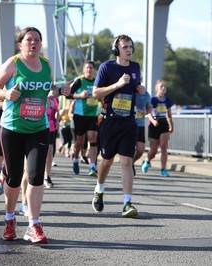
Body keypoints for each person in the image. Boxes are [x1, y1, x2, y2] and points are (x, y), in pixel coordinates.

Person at [0, 27, 71, 244]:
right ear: (20, 44)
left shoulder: (46, 64)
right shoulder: (13, 63)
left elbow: (47, 89)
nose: (33, 43)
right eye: (29, 40)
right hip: (13, 128)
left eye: (37, 40)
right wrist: (5, 93)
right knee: (14, 179)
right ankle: (10, 219)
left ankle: (33, 225)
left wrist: (60, 90)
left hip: (38, 128)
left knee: (35, 176)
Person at [91, 35, 142, 218]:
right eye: (125, 47)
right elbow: (95, 93)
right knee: (107, 160)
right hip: (109, 120)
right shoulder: (107, 67)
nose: (129, 50)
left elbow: (135, 86)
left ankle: (127, 203)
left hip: (129, 120)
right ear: (116, 50)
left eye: (130, 46)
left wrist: (139, 89)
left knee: (127, 161)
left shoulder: (135, 67)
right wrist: (118, 84)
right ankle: (99, 189)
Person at [68, 61, 99, 176]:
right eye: (87, 68)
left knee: (92, 138)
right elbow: (68, 95)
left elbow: (102, 95)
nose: (89, 70)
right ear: (83, 70)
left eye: (91, 68)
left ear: (94, 70)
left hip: (92, 115)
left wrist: (99, 97)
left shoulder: (97, 82)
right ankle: (76, 158)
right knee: (80, 141)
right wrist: (80, 96)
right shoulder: (79, 81)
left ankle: (92, 166)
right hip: (80, 115)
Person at [142, 80, 174, 177]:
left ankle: (163, 169)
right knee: (154, 150)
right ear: (157, 89)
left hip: (164, 123)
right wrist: (153, 120)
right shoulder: (153, 100)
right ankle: (147, 160)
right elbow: (148, 113)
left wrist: (171, 125)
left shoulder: (167, 101)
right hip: (154, 124)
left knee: (164, 146)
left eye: (165, 87)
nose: (163, 88)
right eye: (161, 87)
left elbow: (169, 115)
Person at [132, 86, 152, 176]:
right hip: (129, 124)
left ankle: (131, 162)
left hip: (140, 124)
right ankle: (127, 165)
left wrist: (146, 112)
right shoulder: (129, 92)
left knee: (140, 149)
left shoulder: (146, 94)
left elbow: (150, 108)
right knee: (130, 148)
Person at [44, 96, 59, 188]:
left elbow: (56, 111)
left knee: (49, 151)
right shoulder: (37, 94)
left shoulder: (53, 98)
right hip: (37, 127)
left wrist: (57, 120)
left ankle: (47, 176)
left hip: (50, 127)